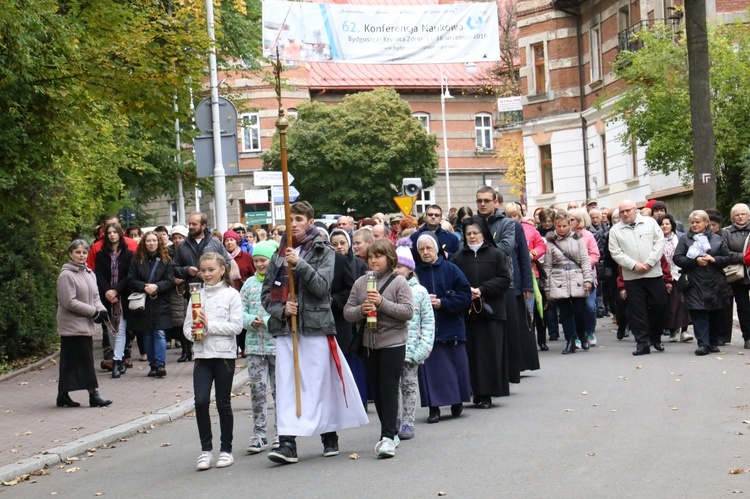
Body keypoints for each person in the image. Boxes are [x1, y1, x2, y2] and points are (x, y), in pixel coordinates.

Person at [262, 201, 368, 465]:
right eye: (290, 219)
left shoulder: (324, 250)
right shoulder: (278, 254)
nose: (294, 223)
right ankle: (287, 442)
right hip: (287, 329)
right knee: (287, 385)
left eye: (299, 218)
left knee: (319, 381)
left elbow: (322, 287)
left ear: (310, 223)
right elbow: (266, 296)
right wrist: (281, 309)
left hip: (316, 327)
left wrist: (300, 265)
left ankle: (328, 433)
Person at [344, 239, 413, 458]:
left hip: (393, 341)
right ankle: (390, 432)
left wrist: (382, 303)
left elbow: (407, 311)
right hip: (368, 343)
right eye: (371, 257)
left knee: (389, 387)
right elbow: (347, 311)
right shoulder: (361, 282)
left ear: (389, 258)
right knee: (378, 388)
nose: (374, 260)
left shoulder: (399, 282)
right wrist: (361, 310)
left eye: (379, 256)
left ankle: (386, 436)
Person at [184, 252, 243, 470]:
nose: (207, 274)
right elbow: (187, 325)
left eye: (211, 270)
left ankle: (226, 449)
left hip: (224, 356)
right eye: (204, 270)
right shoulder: (196, 295)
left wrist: (209, 325)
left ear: (222, 270)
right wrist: (193, 332)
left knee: (223, 402)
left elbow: (236, 327)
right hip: (202, 355)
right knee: (200, 402)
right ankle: (205, 450)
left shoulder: (231, 295)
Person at [452, 216, 512, 406]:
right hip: (468, 312)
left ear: (483, 233)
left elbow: (504, 279)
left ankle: (487, 393)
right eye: (468, 233)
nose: (472, 236)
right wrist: (466, 292)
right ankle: (475, 391)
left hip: (491, 311)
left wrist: (482, 289)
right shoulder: (458, 257)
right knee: (471, 353)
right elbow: (453, 281)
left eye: (475, 233)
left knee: (489, 352)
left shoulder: (496, 255)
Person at [414, 232, 472, 423]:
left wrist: (443, 303)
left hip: (451, 326)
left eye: (428, 248)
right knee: (430, 371)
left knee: (456, 368)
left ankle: (457, 401)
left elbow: (465, 295)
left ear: (437, 249)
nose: (425, 252)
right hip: (427, 333)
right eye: (421, 249)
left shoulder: (451, 269)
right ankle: (434, 407)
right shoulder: (415, 273)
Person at [56, 239, 112, 408]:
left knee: (70, 362)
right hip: (72, 326)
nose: (81, 255)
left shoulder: (89, 273)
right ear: (70, 254)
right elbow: (69, 302)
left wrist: (101, 310)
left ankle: (62, 395)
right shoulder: (66, 275)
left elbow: (95, 297)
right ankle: (94, 395)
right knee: (85, 361)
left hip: (85, 325)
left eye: (84, 252)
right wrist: (92, 312)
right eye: (77, 252)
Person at [608, 200, 667, 356]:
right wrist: (634, 265)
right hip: (632, 276)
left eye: (628, 210)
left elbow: (659, 243)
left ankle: (656, 337)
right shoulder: (615, 230)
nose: (625, 214)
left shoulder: (650, 223)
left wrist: (649, 263)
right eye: (622, 212)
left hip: (653, 273)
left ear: (636, 210)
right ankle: (642, 343)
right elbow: (616, 253)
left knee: (659, 305)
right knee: (637, 310)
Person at [392, 238, 434, 439]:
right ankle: (394, 419)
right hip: (391, 347)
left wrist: (422, 350)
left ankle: (408, 421)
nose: (395, 270)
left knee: (409, 387)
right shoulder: (388, 290)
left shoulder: (420, 292)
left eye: (399, 266)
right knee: (391, 387)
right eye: (393, 266)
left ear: (409, 269)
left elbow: (428, 323)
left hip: (411, 350)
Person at [674, 211, 731, 355]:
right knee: (699, 313)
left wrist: (714, 260)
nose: (694, 225)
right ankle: (703, 344)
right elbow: (678, 258)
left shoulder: (717, 239)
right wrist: (695, 261)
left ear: (706, 223)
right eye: (692, 222)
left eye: (697, 222)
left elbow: (727, 258)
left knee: (714, 312)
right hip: (694, 282)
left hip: (714, 283)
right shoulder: (686, 239)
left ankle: (712, 342)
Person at [241, 240, 280, 453]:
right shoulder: (249, 284)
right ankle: (259, 433)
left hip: (276, 344)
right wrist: (249, 321)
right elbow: (240, 310)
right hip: (255, 346)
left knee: (279, 391)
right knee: (257, 390)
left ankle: (281, 432)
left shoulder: (280, 282)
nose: (259, 264)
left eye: (263, 260)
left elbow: (284, 309)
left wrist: (265, 321)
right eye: (256, 260)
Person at [544, 210, 594, 354]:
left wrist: (588, 280)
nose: (562, 229)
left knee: (579, 311)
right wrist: (547, 288)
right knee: (565, 313)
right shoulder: (551, 242)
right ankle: (570, 340)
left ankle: (582, 334)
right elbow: (547, 266)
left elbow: (585, 261)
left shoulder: (578, 239)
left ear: (569, 225)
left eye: (565, 226)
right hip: (559, 280)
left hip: (577, 278)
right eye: (559, 226)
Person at [129, 231, 175, 377]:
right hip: (144, 303)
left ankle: (161, 363)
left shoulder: (166, 259)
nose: (152, 243)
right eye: (148, 241)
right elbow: (131, 280)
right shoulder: (137, 260)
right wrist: (144, 286)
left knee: (160, 332)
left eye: (154, 240)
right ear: (144, 243)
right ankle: (153, 364)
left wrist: (157, 286)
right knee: (147, 334)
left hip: (161, 302)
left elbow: (170, 280)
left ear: (159, 242)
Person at [94, 223, 134, 378]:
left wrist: (117, 290)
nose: (111, 235)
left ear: (119, 234)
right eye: (109, 233)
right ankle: (120, 357)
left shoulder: (128, 254)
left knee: (121, 329)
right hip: (107, 296)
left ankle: (117, 361)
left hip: (122, 296)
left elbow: (129, 276)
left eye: (114, 232)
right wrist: (108, 291)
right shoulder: (101, 254)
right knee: (111, 329)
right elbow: (99, 275)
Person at [658, 214, 693, 343]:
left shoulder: (680, 238)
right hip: (663, 275)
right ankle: (673, 331)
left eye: (667, 224)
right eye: (662, 224)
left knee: (683, 302)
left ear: (672, 225)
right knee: (669, 304)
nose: (665, 226)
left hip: (679, 274)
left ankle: (684, 331)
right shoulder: (656, 239)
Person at [569, 208, 600, 348]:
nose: (569, 222)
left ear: (580, 220)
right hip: (571, 277)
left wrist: (584, 263)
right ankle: (576, 335)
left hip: (588, 276)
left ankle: (590, 331)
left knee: (590, 306)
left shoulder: (588, 235)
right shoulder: (566, 236)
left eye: (572, 220)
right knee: (576, 308)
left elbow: (595, 254)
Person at [723, 203, 750, 349]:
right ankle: (748, 337)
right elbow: (725, 253)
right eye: (737, 214)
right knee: (743, 307)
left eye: (743, 214)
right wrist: (744, 257)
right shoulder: (727, 232)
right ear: (733, 217)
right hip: (738, 276)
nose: (740, 217)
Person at [169, 225, 193, 362]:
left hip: (190, 287)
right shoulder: (167, 252)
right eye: (175, 238)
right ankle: (185, 350)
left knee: (193, 319)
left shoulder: (189, 250)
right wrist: (173, 279)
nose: (178, 240)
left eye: (180, 237)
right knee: (180, 322)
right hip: (175, 290)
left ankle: (194, 349)